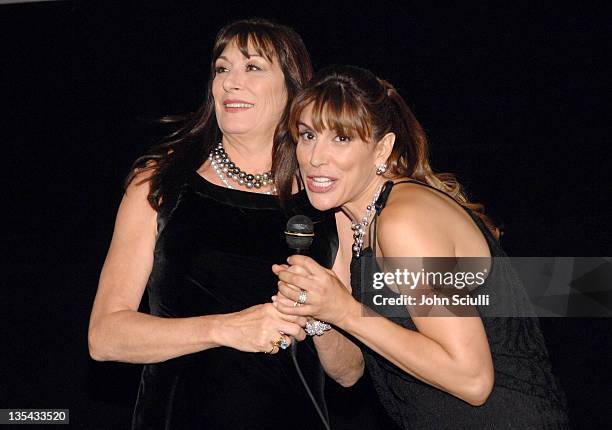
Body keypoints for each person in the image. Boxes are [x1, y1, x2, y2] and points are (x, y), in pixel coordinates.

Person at [271, 65, 570, 429]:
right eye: (307, 135)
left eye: (342, 138)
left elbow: (472, 379)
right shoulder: (350, 222)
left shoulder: (404, 221)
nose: (316, 157)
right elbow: (350, 372)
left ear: (382, 149)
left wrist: (345, 310)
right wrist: (319, 313)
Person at [88, 18, 339, 429]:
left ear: (293, 87)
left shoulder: (326, 200)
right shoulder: (159, 184)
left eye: (252, 67)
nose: (229, 83)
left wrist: (323, 314)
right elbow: (104, 337)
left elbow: (349, 372)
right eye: (222, 69)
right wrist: (226, 329)